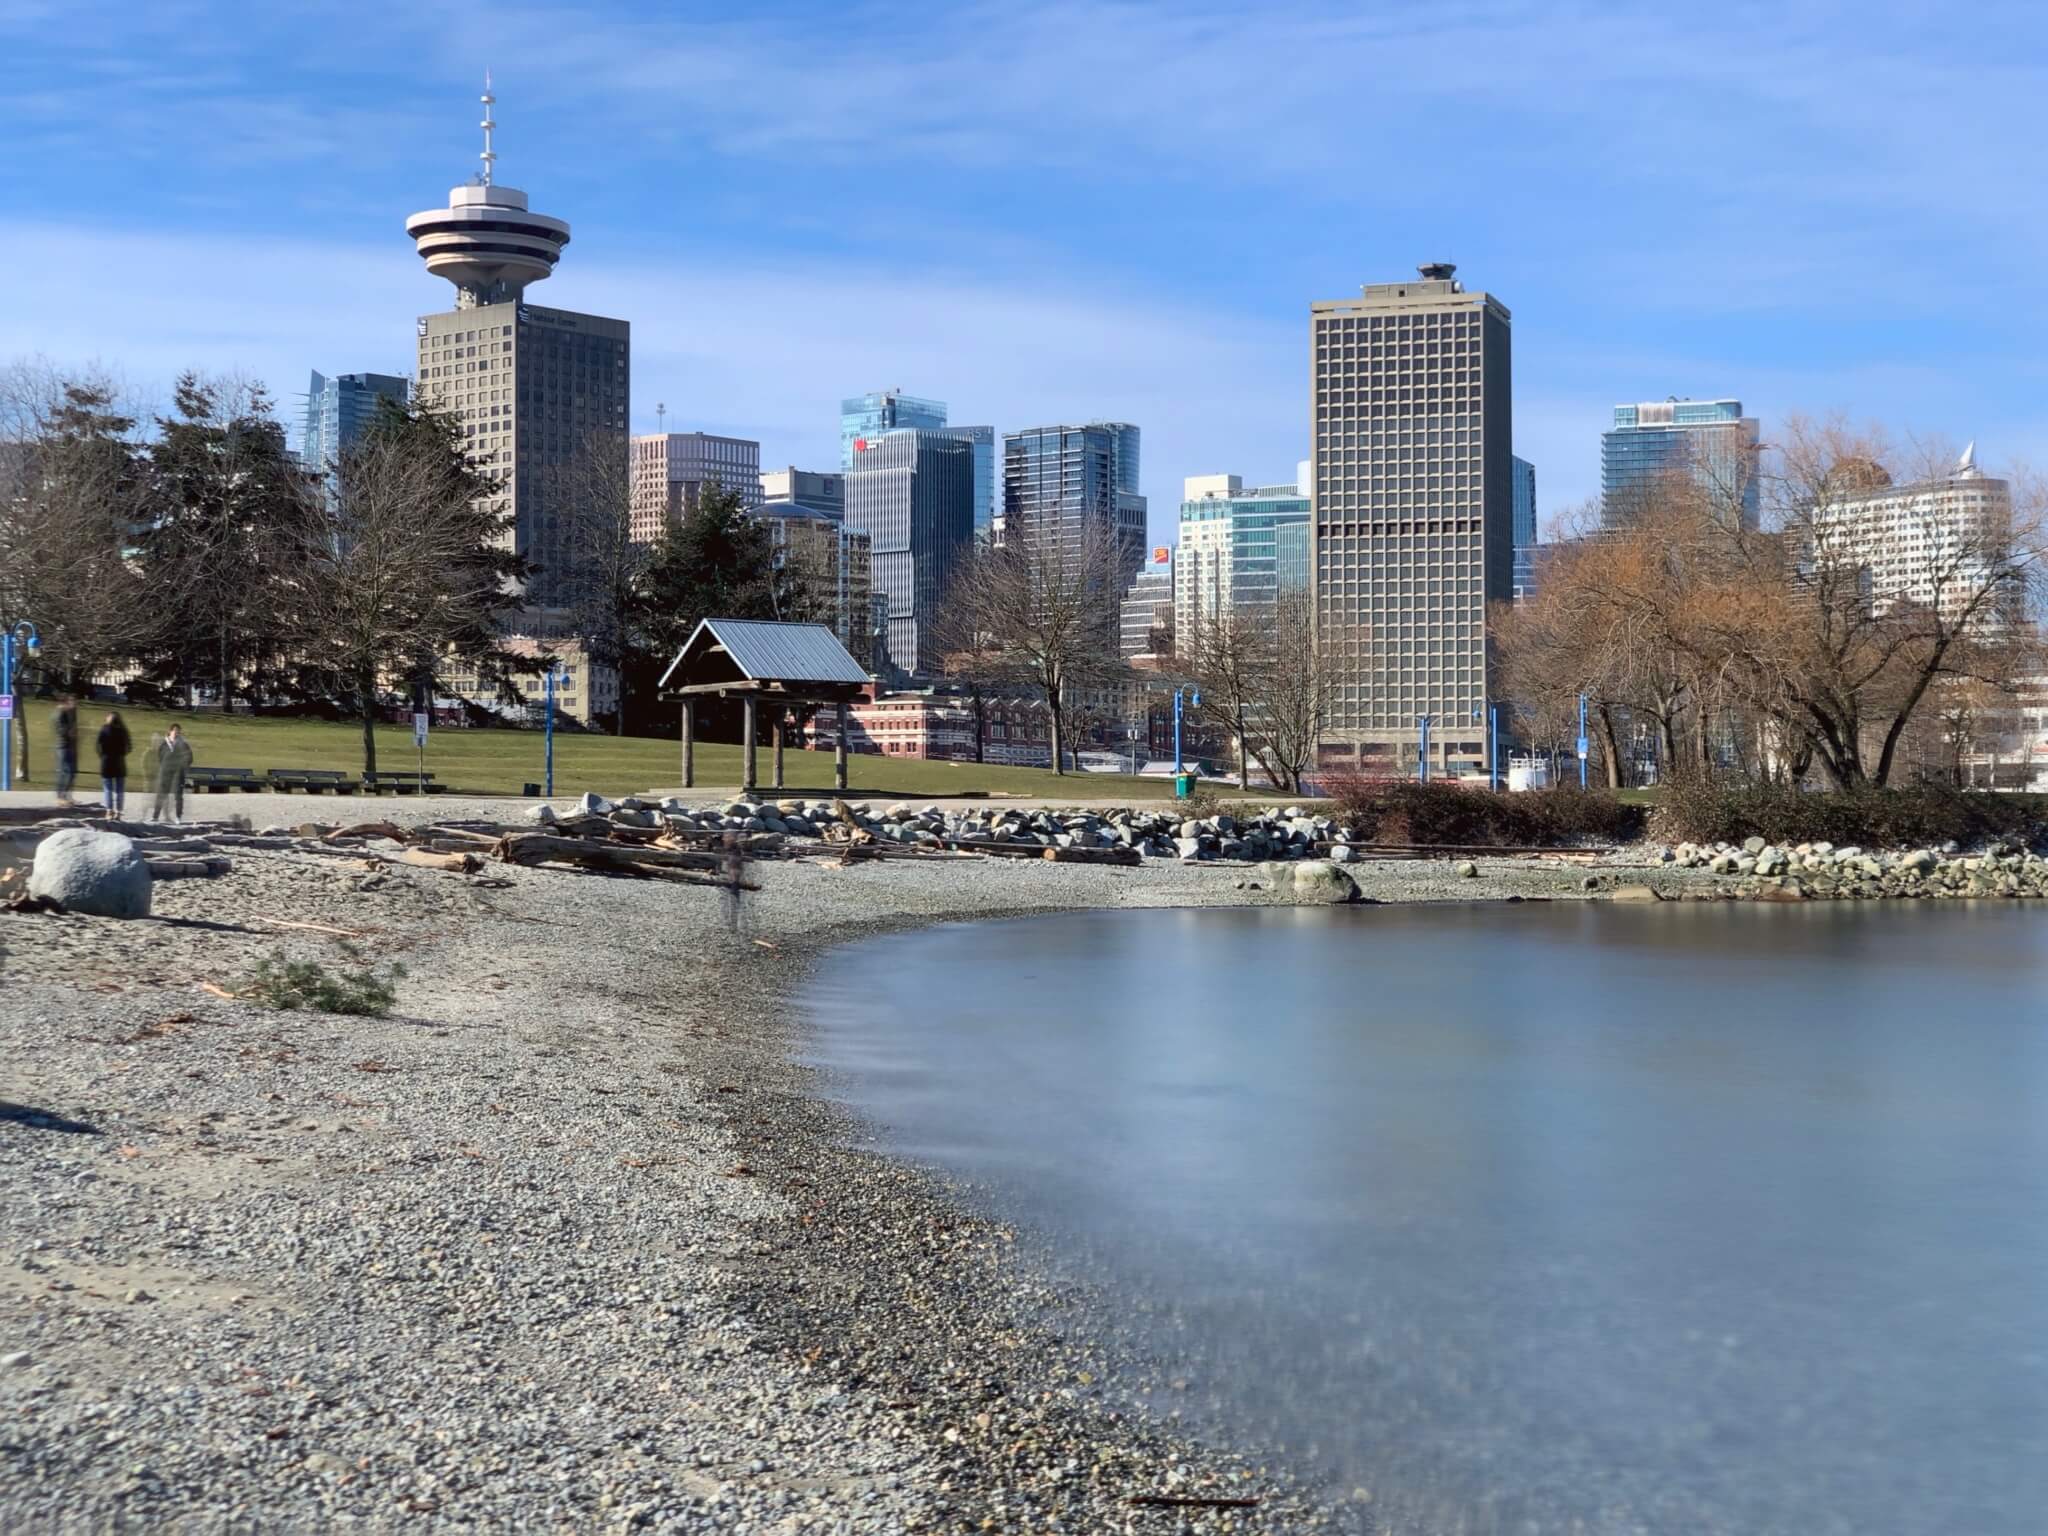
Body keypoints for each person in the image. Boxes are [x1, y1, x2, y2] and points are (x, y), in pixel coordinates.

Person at [148, 722, 194, 824]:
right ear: (170, 731)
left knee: (178, 795)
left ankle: (178, 816)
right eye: (175, 731)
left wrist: (182, 766)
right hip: (165, 772)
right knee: (161, 794)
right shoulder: (164, 744)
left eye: (178, 731)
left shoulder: (183, 744)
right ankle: (155, 816)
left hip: (178, 773)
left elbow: (190, 758)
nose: (176, 733)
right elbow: (160, 757)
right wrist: (165, 766)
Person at [96, 710, 131, 817]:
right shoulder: (124, 731)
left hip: (106, 762)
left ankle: (109, 810)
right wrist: (122, 754)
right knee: (120, 790)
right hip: (119, 762)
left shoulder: (104, 730)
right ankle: (119, 811)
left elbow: (98, 746)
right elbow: (129, 748)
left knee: (108, 789)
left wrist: (102, 755)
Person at [52, 695, 78, 805]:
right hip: (62, 746)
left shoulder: (69, 713)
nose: (73, 704)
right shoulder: (59, 714)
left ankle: (67, 796)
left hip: (70, 745)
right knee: (64, 772)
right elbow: (62, 731)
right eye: (71, 702)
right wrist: (71, 732)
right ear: (65, 702)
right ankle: (60, 796)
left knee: (71, 772)